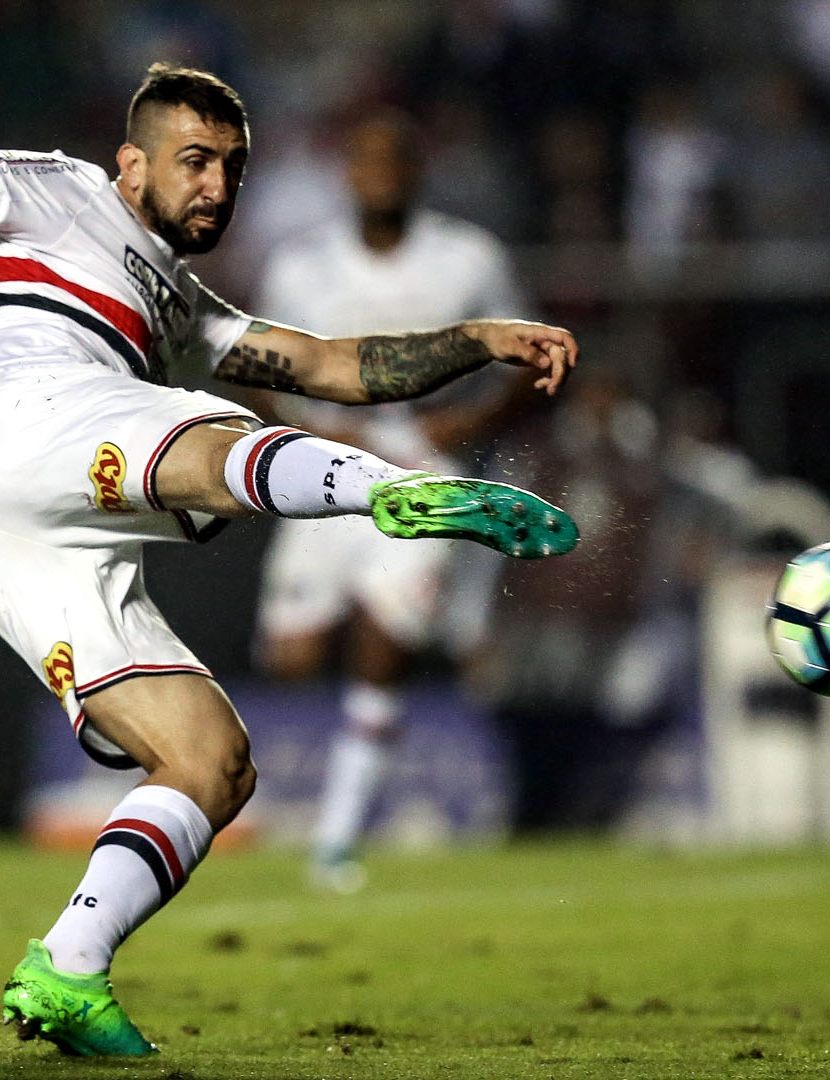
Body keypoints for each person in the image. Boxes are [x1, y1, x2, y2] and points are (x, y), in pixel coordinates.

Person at [0, 64, 578, 1057]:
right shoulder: (52, 189)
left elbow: (332, 366)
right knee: (213, 437)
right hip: (24, 422)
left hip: (2, 532)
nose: (216, 185)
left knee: (212, 763)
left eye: (232, 167)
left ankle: (67, 968)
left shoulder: (183, 311)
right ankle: (388, 495)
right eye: (195, 161)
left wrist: (476, 339)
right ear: (131, 164)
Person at [251, 109, 528, 893]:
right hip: (324, 478)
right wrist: (307, 428)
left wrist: (471, 422)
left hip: (422, 478)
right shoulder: (301, 267)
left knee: (384, 647)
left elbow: (525, 363)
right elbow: (253, 366)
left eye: (395, 158)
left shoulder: (471, 259)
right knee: (293, 657)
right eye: (366, 159)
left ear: (418, 169)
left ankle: (336, 841)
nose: (381, 173)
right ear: (346, 172)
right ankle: (265, 798)